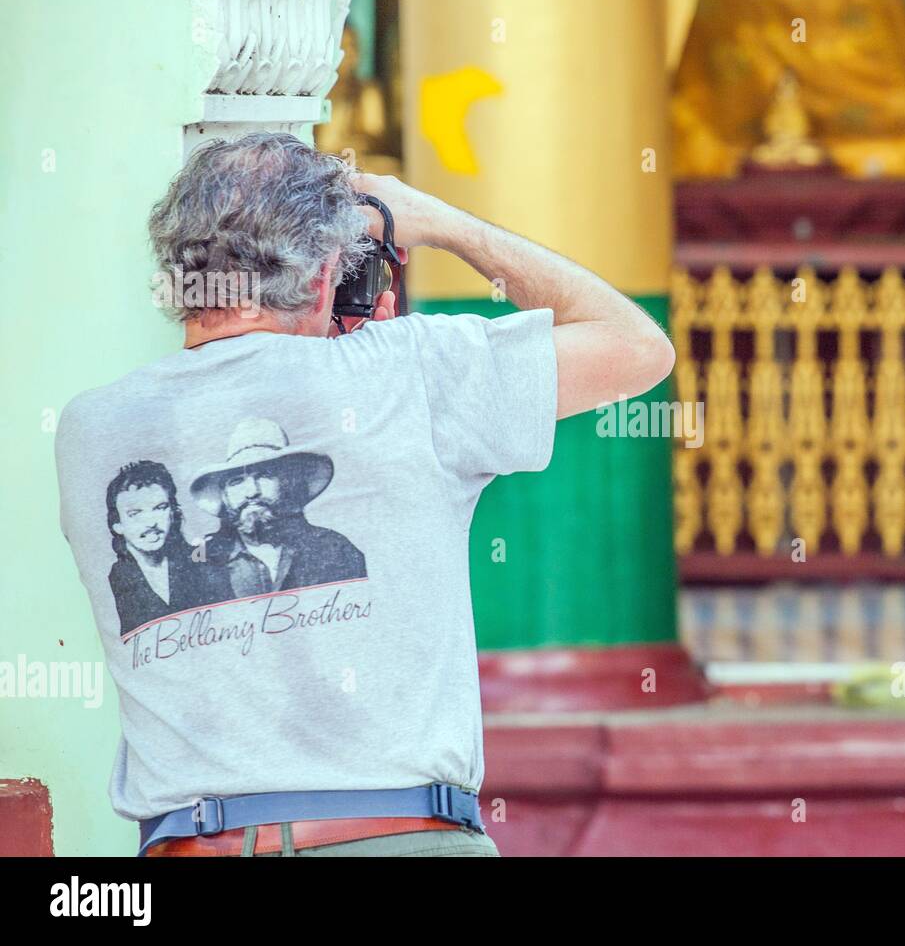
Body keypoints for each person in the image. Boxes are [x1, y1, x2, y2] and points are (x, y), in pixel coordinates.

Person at [54, 132, 674, 856]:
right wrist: (445, 224)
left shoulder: (89, 431)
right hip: (397, 833)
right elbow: (638, 348)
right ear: (324, 276)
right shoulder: (407, 372)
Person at [193, 417, 366, 598]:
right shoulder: (204, 560)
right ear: (224, 495)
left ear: (288, 483)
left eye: (265, 476)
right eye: (236, 481)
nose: (251, 492)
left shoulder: (334, 549)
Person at [106, 460, 229, 636]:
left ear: (173, 514)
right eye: (135, 513)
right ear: (117, 525)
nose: (150, 522)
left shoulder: (200, 562)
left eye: (160, 508)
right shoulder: (114, 580)